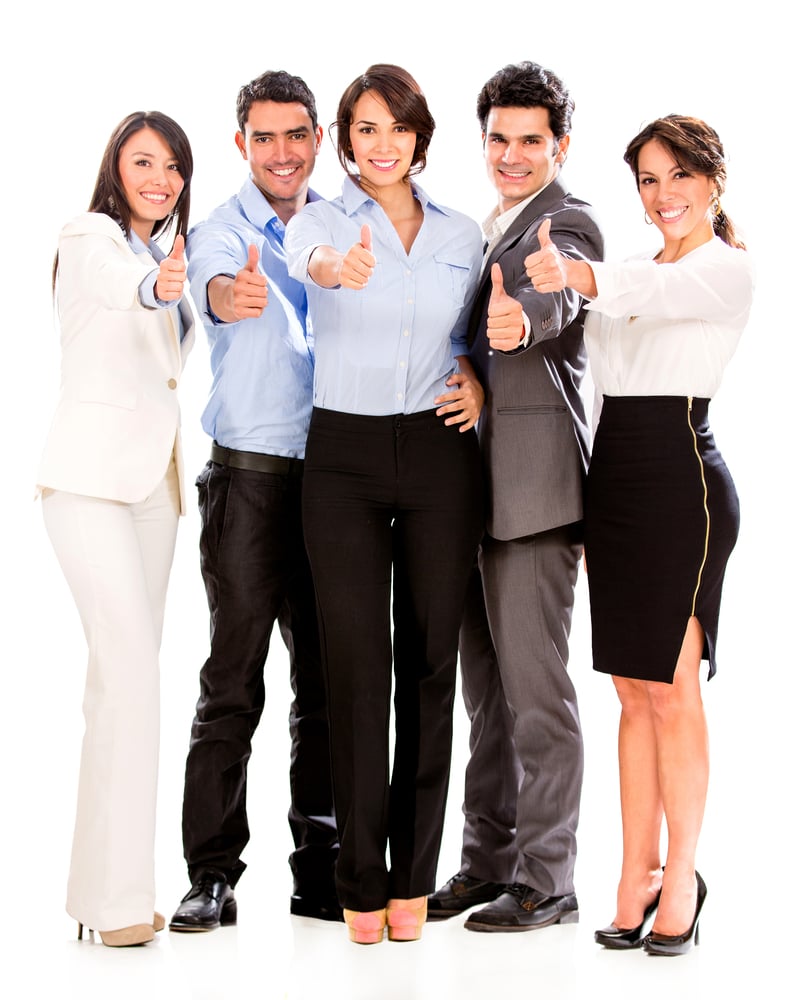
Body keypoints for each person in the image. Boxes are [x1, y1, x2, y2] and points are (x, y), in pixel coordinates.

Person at [524, 114, 753, 956]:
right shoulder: (631, 269)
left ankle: (683, 877)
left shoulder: (724, 270)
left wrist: (577, 274)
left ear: (712, 179)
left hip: (682, 481)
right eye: (649, 182)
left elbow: (641, 295)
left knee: (674, 687)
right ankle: (635, 873)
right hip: (614, 476)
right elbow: (598, 368)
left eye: (678, 177)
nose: (664, 197)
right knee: (627, 688)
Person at [285, 64, 485, 945]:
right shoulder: (322, 221)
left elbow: (474, 332)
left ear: (419, 135)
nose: (382, 143)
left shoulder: (462, 233)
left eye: (396, 126)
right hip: (345, 458)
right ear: (346, 138)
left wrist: (476, 373)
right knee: (359, 676)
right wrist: (337, 265)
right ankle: (359, 886)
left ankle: (415, 882)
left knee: (431, 668)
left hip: (440, 452)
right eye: (364, 128)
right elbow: (310, 264)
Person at [427, 61, 604, 932]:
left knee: (537, 694)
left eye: (530, 140)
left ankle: (550, 878)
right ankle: (487, 858)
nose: (511, 153)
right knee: (485, 695)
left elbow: (555, 289)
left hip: (535, 494)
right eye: (499, 138)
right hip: (475, 494)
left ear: (559, 145)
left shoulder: (566, 221)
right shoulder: (488, 225)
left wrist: (522, 319)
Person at [168, 71, 341, 933]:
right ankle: (211, 875)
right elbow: (209, 286)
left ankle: (321, 871)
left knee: (328, 685)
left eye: (296, 135)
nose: (281, 152)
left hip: (335, 488)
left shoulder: (344, 224)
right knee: (231, 683)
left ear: (317, 139)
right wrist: (224, 298)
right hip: (247, 483)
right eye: (264, 137)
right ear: (242, 144)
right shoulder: (219, 232)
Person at [36, 111, 195, 947]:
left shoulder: (166, 251)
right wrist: (155, 286)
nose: (159, 178)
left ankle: (94, 895)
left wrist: (186, 289)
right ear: (116, 167)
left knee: (118, 686)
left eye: (172, 166)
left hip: (154, 493)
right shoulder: (91, 235)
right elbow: (112, 282)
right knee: (131, 677)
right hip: (88, 486)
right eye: (144, 161)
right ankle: (124, 904)